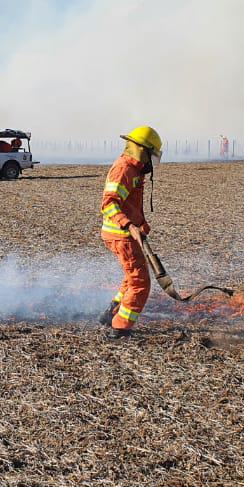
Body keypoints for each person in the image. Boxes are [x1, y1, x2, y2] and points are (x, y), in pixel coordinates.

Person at [98, 125, 163, 339]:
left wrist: (140, 225)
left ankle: (112, 313)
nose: (151, 162)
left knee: (131, 278)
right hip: (121, 235)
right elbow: (108, 204)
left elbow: (129, 204)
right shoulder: (124, 169)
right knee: (140, 283)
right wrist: (129, 225)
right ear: (141, 150)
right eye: (150, 155)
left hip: (126, 234)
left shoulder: (134, 170)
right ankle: (120, 328)